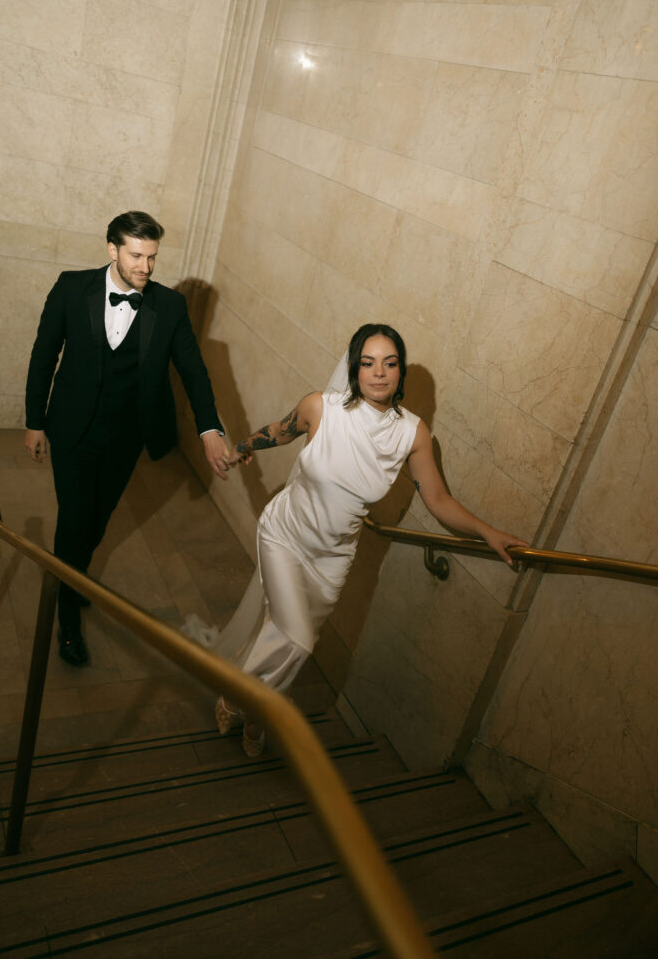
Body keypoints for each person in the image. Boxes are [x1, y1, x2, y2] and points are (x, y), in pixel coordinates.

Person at [196, 323, 527, 757]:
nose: (379, 373)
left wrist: (489, 533)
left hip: (332, 561)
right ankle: (243, 701)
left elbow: (439, 499)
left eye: (390, 363)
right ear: (354, 368)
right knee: (296, 639)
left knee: (286, 641)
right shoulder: (321, 407)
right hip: (285, 536)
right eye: (368, 363)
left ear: (400, 371)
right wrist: (242, 446)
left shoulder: (413, 434)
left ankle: (257, 709)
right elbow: (280, 430)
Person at [25, 211, 231, 667]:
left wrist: (209, 428)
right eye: (136, 255)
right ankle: (68, 618)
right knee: (75, 519)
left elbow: (193, 371)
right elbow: (44, 354)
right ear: (112, 249)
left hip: (125, 437)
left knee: (98, 520)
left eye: (152, 257)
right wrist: (34, 420)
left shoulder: (170, 306)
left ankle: (73, 574)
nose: (146, 267)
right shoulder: (70, 287)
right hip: (73, 429)